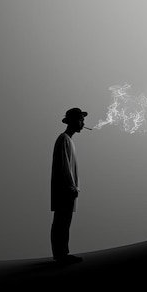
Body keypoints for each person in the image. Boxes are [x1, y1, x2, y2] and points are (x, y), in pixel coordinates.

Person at [50, 107, 87, 264]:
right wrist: (71, 187)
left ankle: (62, 253)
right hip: (65, 190)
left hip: (68, 189)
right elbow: (64, 165)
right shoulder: (64, 139)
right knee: (61, 221)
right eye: (80, 119)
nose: (83, 123)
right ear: (72, 121)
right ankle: (61, 254)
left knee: (64, 220)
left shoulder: (69, 140)